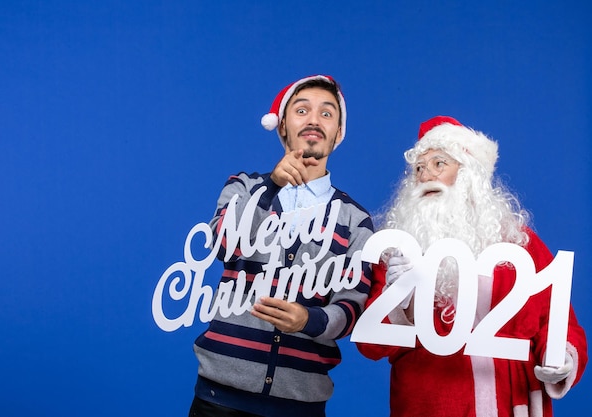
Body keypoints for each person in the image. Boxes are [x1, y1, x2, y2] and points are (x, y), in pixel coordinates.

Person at [356, 116, 588, 416]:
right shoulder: (398, 251)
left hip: (510, 400)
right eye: (419, 168)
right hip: (430, 401)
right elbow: (371, 347)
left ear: (469, 174)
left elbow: (560, 322)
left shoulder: (520, 242)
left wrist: (561, 359)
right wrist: (398, 304)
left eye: (439, 163)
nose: (426, 175)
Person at [188, 75, 374, 417]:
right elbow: (221, 243)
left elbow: (352, 309)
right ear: (283, 127)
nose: (314, 120)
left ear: (338, 134)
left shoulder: (355, 220)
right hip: (219, 401)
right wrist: (272, 186)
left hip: (301, 405)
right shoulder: (243, 187)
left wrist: (309, 319)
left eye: (327, 113)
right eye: (302, 110)